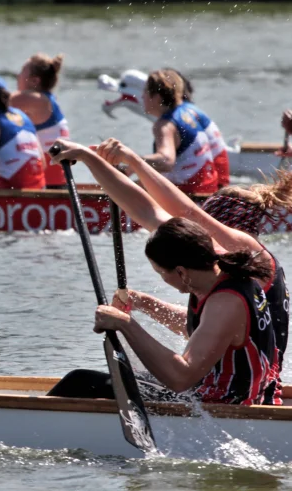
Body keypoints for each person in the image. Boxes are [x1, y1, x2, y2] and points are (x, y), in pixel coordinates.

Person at [48, 138, 289, 403]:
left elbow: (184, 212)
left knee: (81, 382)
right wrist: (90, 158)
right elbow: (147, 211)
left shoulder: (246, 262)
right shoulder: (224, 270)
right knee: (91, 380)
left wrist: (126, 324)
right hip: (238, 386)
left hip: (232, 400)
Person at [47, 217, 281, 406]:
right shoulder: (223, 276)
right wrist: (144, 303)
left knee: (80, 382)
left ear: (181, 272)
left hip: (223, 403)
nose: (162, 278)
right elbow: (201, 329)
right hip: (225, 392)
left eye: (161, 273)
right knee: (106, 378)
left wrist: (126, 324)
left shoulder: (226, 303)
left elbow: (181, 378)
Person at [140, 69, 218, 195]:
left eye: (145, 91)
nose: (142, 96)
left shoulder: (165, 125)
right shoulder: (187, 113)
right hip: (207, 193)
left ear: (157, 97)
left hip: (187, 199)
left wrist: (130, 160)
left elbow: (165, 161)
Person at [163, 68, 230, 189]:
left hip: (199, 191)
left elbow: (165, 163)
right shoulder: (192, 111)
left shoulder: (171, 120)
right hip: (215, 183)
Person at [10, 53, 69, 188]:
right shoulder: (48, 101)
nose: (18, 76)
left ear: (35, 81)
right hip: (57, 185)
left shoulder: (37, 100)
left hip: (46, 188)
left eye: (22, 72)